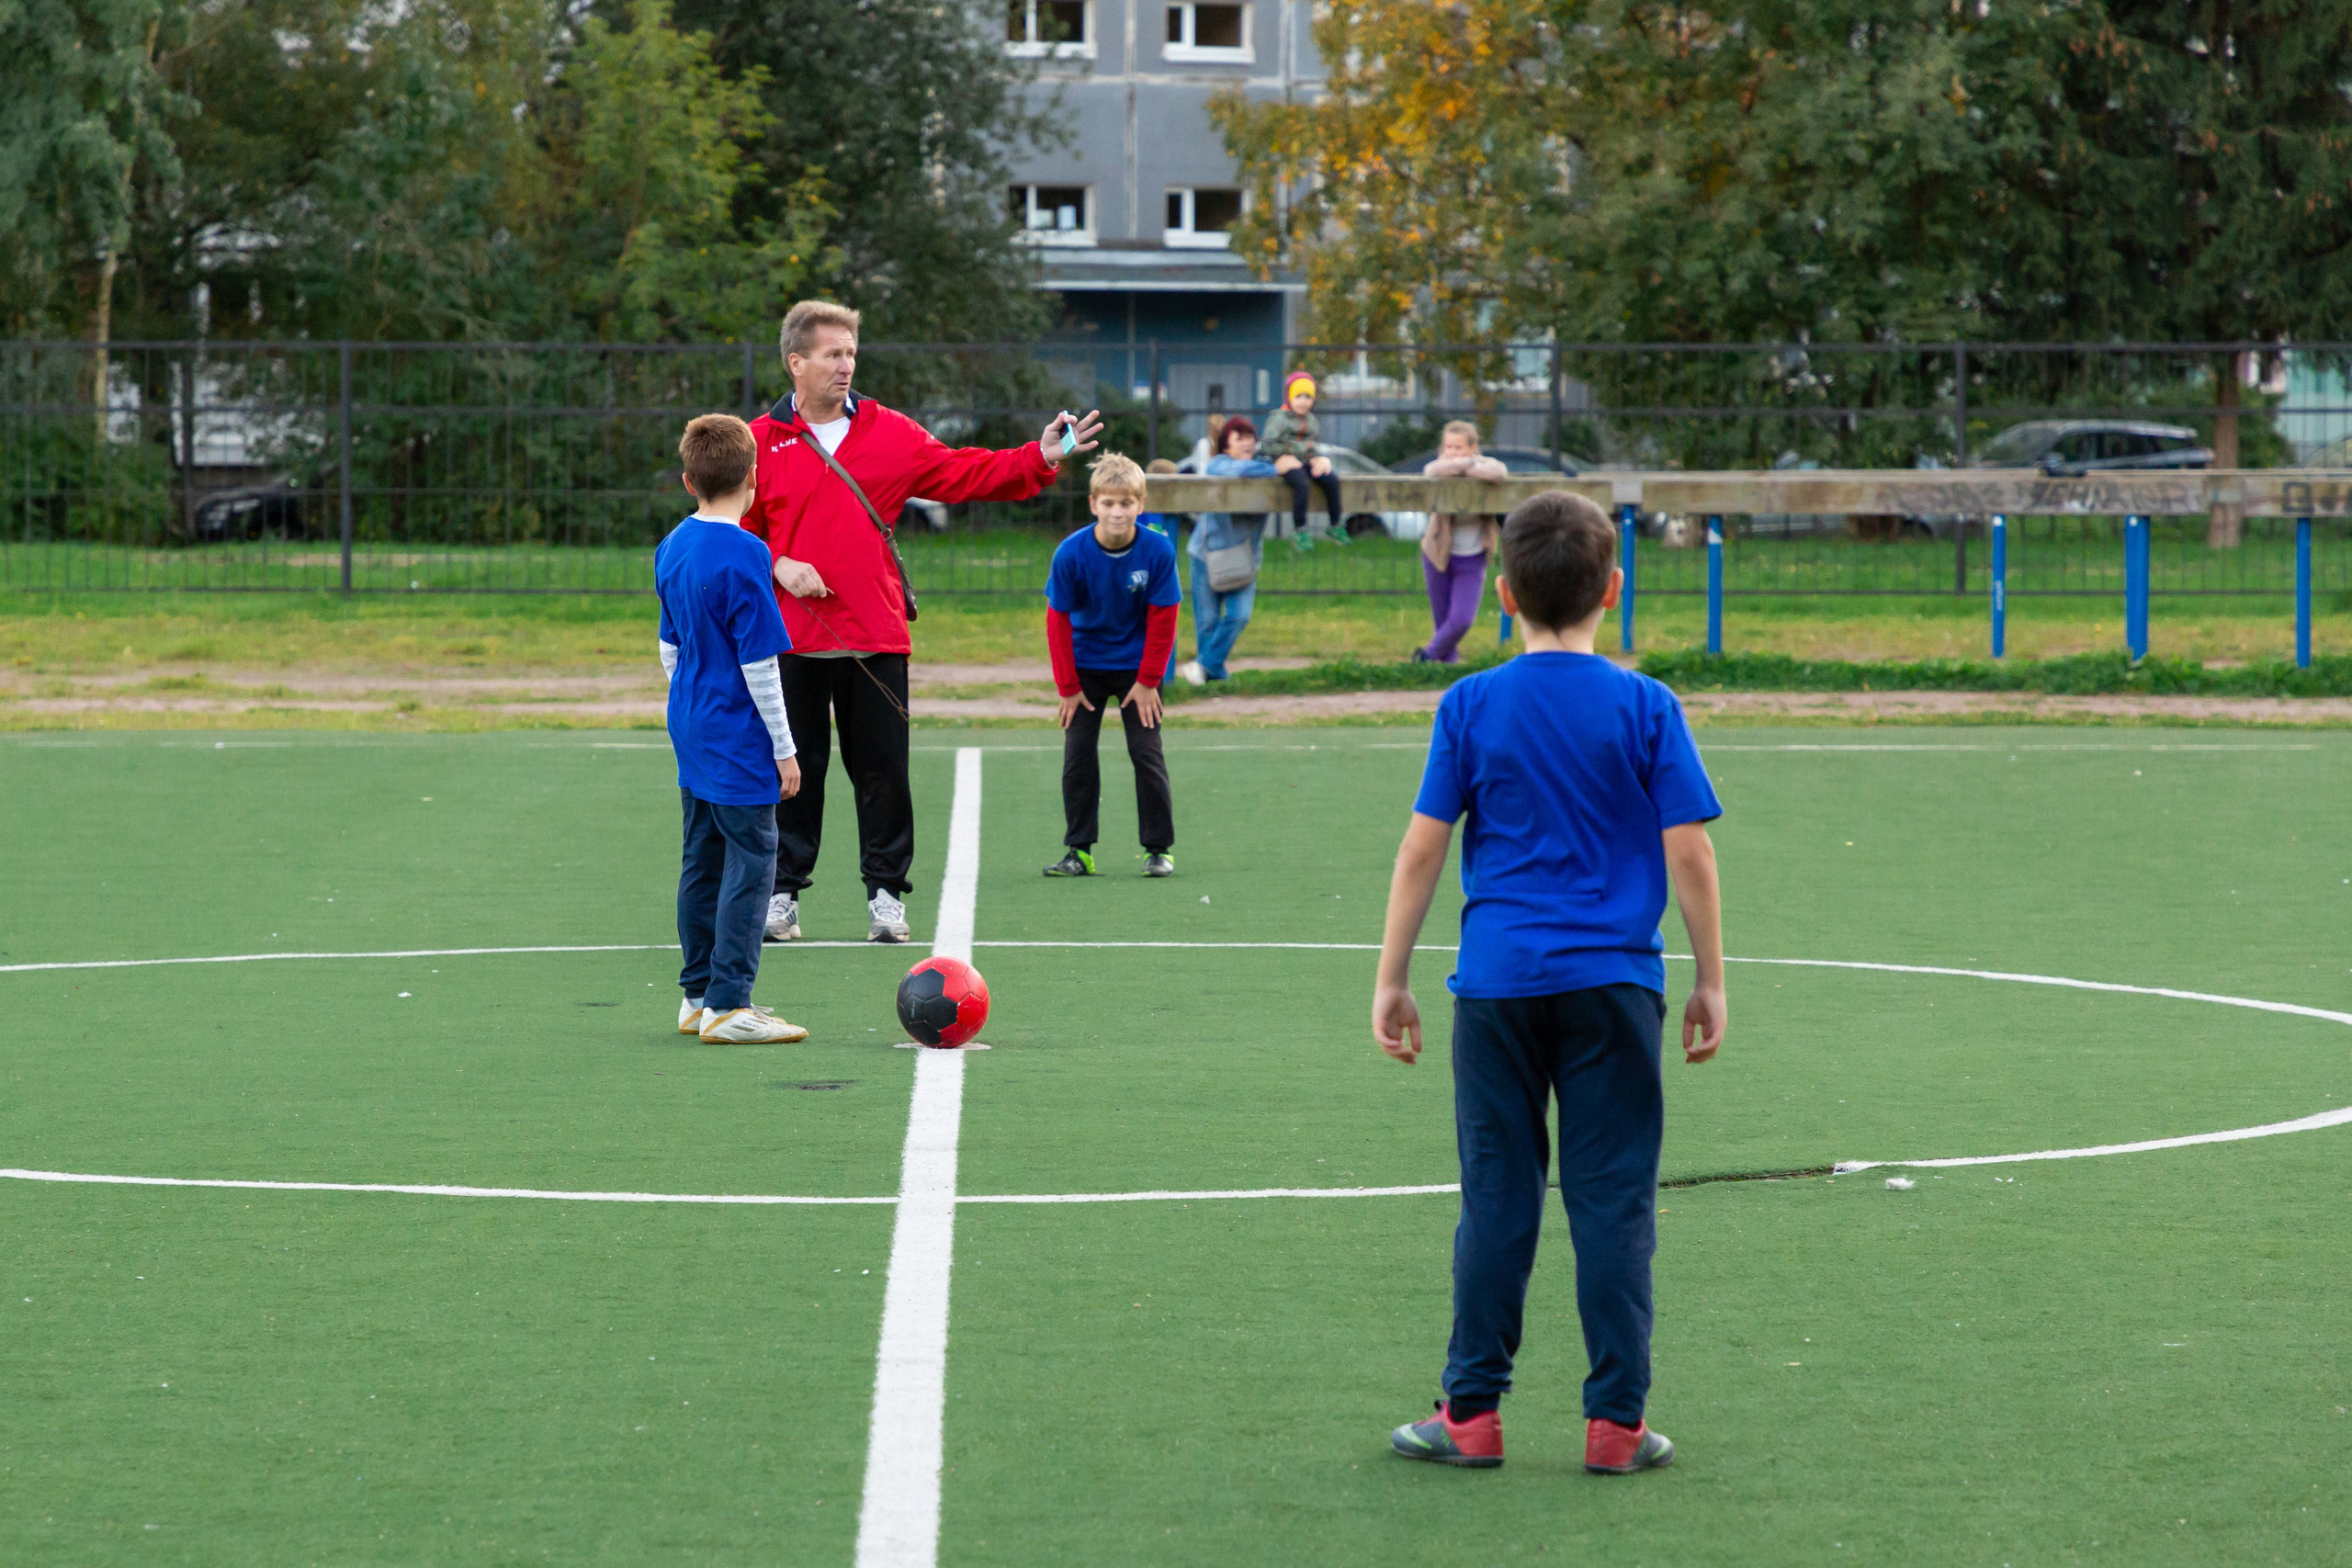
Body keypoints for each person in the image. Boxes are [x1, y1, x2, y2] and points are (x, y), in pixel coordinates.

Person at [1372, 490, 1727, 1475]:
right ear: (1612, 589)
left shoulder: (1469, 703)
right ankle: (1614, 1426)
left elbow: (1420, 851)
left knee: (1497, 1195)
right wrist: (1710, 981)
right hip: (1615, 986)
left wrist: (1391, 979)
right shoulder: (1648, 705)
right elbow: (1689, 856)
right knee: (1613, 1203)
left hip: (1495, 988)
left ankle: (1471, 1415)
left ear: (1504, 597)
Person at [744, 299, 1102, 943]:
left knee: (883, 770)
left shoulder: (888, 431)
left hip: (873, 635)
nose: (846, 364)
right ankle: (782, 893)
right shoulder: (759, 440)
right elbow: (735, 529)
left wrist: (1040, 457)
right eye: (833, 353)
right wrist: (779, 563)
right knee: (793, 771)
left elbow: (964, 472)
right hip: (790, 639)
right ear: (796, 362)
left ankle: (885, 892)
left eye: (852, 352)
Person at [655, 414, 809, 1045]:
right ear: (754, 475)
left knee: (702, 855)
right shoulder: (749, 552)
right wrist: (786, 748)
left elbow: (669, 648)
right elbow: (760, 664)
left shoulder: (672, 545)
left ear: (689, 480)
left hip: (690, 721)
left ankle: (696, 995)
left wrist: (693, 704)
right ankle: (728, 1003)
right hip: (736, 732)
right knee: (752, 859)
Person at [1042, 453, 1182, 878]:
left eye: (1126, 503)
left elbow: (1165, 617)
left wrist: (1147, 682)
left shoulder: (1157, 550)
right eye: (1108, 503)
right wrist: (1068, 687)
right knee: (1078, 756)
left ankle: (1158, 849)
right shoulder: (1071, 553)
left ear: (1141, 505)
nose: (1117, 512)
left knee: (1146, 752)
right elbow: (1057, 621)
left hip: (1136, 669)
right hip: (1085, 667)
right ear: (1093, 504)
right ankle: (1079, 851)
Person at [1176, 414, 1273, 685]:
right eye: (1239, 438)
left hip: (1244, 557)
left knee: (1239, 615)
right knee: (1206, 622)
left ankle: (1204, 667)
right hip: (1206, 554)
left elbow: (1272, 471)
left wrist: (1269, 468)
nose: (1247, 443)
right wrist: (1269, 469)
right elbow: (1229, 471)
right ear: (1226, 445)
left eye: (1250, 438)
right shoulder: (1219, 464)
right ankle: (1214, 680)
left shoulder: (1263, 467)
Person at [1415, 420, 1510, 664]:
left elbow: (1499, 473)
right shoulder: (1440, 467)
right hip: (1438, 552)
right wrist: (1460, 466)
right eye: (1449, 447)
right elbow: (1430, 471)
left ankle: (1427, 657)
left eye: (1459, 447)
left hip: (1473, 555)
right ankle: (1447, 667)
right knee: (1443, 618)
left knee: (1461, 619)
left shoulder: (1483, 464)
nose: (1453, 453)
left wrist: (1468, 466)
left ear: (1473, 447)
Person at [1259, 370, 1345, 547]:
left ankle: (1335, 524)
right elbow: (1267, 445)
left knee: (1331, 480)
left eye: (1308, 397)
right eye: (1298, 396)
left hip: (1305, 461)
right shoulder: (1279, 418)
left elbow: (1312, 444)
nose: (1303, 402)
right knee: (1301, 483)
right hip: (1285, 461)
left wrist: (1318, 458)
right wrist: (1289, 450)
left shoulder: (1312, 421)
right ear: (1289, 397)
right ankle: (1300, 529)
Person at [1140, 458, 1183, 686]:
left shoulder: (1164, 514)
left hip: (1158, 573)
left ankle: (1161, 674)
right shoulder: (1144, 511)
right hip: (1144, 573)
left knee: (1161, 623)